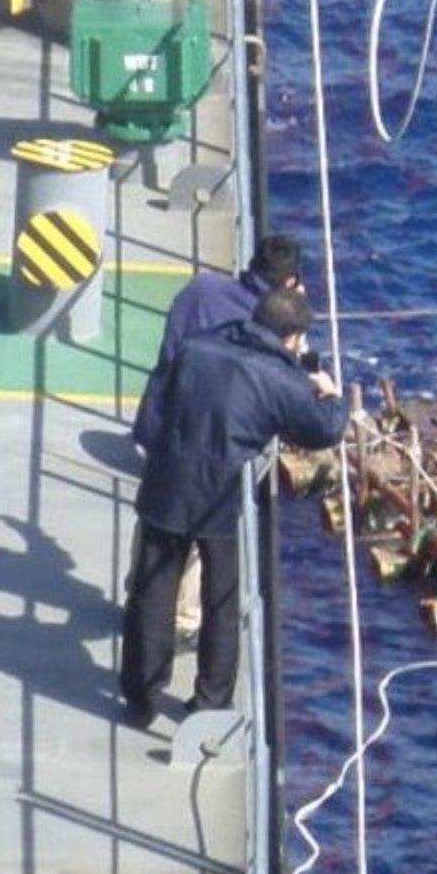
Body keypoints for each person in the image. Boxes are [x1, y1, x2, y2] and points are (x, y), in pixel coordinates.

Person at [120, 288, 349, 728]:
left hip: (168, 479)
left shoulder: (196, 348)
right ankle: (210, 702)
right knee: (222, 601)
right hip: (221, 496)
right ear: (292, 337)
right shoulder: (281, 380)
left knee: (152, 592)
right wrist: (331, 395)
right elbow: (323, 429)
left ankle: (140, 695)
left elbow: (165, 396)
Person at [132, 234, 304, 647]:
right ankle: (182, 619)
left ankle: (140, 592)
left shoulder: (201, 288)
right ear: (288, 284)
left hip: (160, 422)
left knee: (154, 519)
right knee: (194, 543)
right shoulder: (263, 329)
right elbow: (279, 389)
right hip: (210, 449)